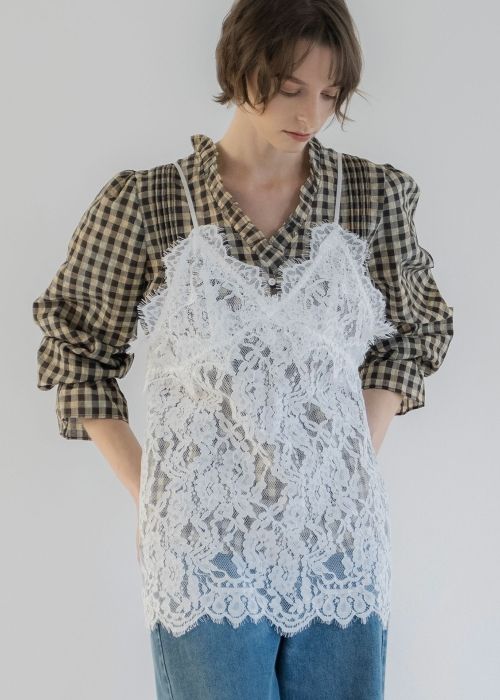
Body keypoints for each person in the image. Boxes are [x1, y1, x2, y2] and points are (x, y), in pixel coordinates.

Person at [32, 1, 454, 698]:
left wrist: (354, 457)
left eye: (331, 94)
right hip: (204, 548)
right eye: (290, 88)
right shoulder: (147, 204)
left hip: (338, 541)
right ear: (240, 70)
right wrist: (151, 492)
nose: (311, 113)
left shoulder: (372, 197)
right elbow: (76, 348)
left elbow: (414, 333)